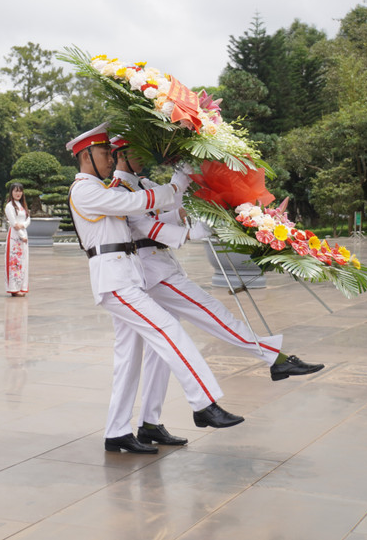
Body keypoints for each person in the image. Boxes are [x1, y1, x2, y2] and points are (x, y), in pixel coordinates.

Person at [107, 138, 324, 441]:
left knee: (159, 354)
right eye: (135, 153)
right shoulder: (119, 190)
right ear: (120, 155)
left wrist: (190, 204)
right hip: (152, 272)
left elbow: (163, 212)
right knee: (214, 313)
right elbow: (147, 228)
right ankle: (275, 357)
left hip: (160, 267)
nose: (142, 158)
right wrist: (188, 232)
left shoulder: (142, 183)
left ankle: (150, 424)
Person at [66, 125, 243, 454]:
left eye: (111, 152)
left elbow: (146, 207)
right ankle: (203, 402)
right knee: (167, 328)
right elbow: (139, 201)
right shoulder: (85, 191)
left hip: (126, 276)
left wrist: (182, 183)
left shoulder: (104, 189)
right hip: (114, 280)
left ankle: (117, 431)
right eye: (105, 152)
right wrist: (177, 182)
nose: (110, 157)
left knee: (128, 359)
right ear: (85, 156)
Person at [4, 183, 30, 296]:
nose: (18, 193)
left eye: (20, 191)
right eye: (15, 191)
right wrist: (22, 235)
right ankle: (14, 289)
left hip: (23, 234)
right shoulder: (9, 206)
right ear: (11, 192)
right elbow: (14, 223)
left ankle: (22, 287)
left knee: (23, 262)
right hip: (15, 237)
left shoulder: (22, 205)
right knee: (14, 262)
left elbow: (29, 219)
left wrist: (23, 226)